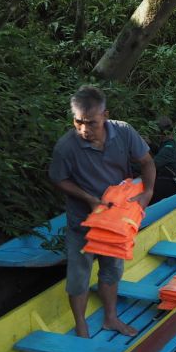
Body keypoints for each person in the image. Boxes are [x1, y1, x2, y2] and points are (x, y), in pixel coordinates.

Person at [49, 85, 155, 338]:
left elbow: (147, 162)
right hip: (82, 221)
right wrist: (88, 199)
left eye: (91, 123)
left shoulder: (124, 132)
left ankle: (110, 318)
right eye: (78, 122)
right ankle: (81, 327)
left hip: (117, 219)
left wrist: (148, 192)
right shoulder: (66, 147)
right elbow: (58, 179)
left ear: (105, 115)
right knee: (79, 274)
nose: (84, 129)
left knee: (112, 269)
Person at [151, 116, 176, 203]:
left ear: (161, 132)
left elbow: (152, 165)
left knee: (148, 191)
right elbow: (161, 154)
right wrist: (150, 145)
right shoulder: (173, 142)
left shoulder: (168, 148)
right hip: (173, 179)